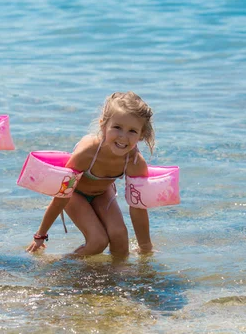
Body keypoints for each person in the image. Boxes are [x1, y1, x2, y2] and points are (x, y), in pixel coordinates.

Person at [26, 91, 155, 257]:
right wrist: (40, 235)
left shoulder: (135, 162)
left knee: (120, 237)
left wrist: (145, 246)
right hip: (74, 194)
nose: (123, 137)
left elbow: (138, 208)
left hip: (102, 193)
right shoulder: (88, 152)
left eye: (132, 131)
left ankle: (116, 279)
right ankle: (62, 269)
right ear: (103, 125)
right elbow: (62, 195)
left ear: (141, 134)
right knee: (97, 241)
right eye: (117, 127)